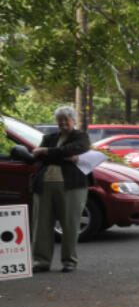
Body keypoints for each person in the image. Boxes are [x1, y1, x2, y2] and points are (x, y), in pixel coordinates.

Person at [30, 105, 90, 273]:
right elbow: (39, 157)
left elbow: (76, 149)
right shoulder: (49, 137)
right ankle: (41, 261)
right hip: (44, 185)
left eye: (67, 119)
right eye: (60, 119)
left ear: (74, 121)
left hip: (71, 186)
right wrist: (63, 156)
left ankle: (69, 261)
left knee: (70, 224)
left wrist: (47, 151)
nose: (63, 122)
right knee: (41, 225)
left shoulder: (81, 136)